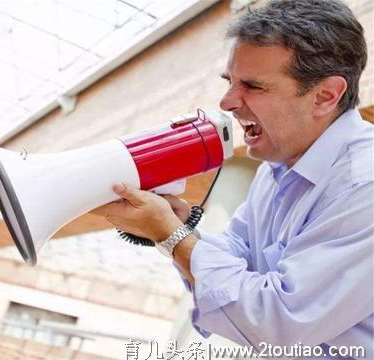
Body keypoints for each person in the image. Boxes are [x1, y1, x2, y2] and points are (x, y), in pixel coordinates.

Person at [92, 0, 373, 356]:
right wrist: (177, 225)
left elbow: (279, 321)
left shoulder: (365, 184)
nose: (227, 102)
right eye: (230, 82)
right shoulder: (276, 172)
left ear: (325, 96)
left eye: (253, 86)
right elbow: (235, 258)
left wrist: (170, 234)